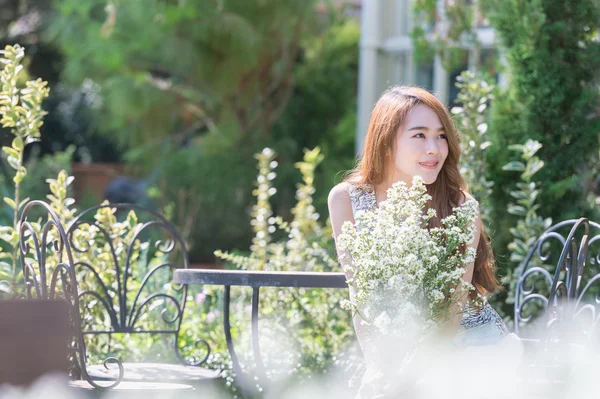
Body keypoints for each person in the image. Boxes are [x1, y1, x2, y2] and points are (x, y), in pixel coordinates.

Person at [328, 86, 522, 397]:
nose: (434, 148)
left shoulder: (460, 206)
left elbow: (454, 307)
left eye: (441, 136)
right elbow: (361, 296)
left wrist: (406, 377)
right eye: (419, 135)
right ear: (387, 141)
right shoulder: (347, 201)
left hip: (472, 350)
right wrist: (377, 368)